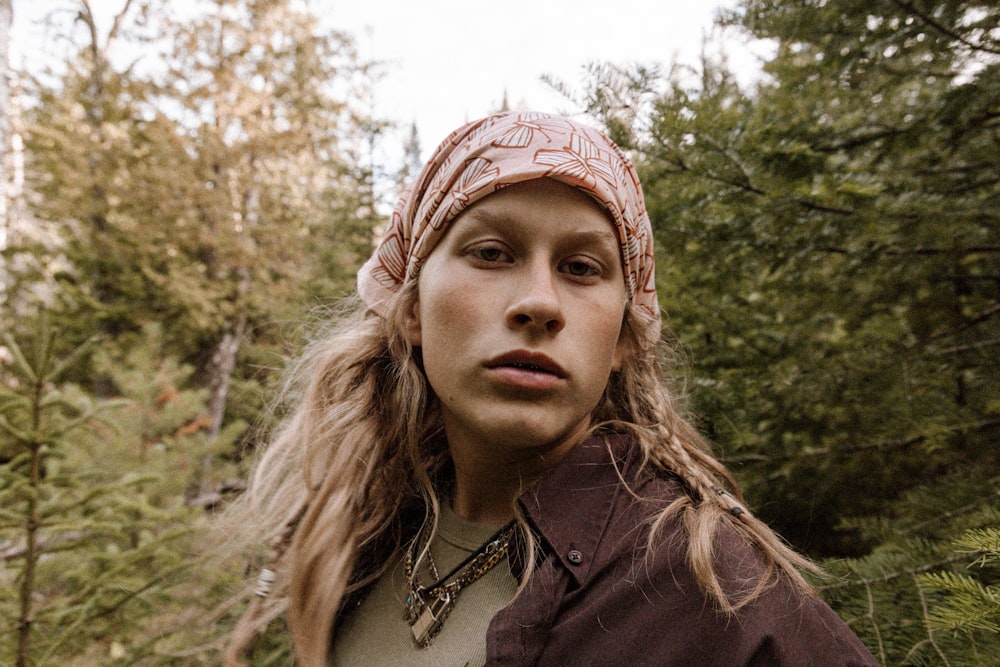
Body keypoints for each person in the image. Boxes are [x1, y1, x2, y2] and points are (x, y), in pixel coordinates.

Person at [223, 111, 879, 666]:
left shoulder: (705, 583)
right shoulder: (361, 530)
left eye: (581, 267)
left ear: (624, 335)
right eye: (491, 253)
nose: (539, 303)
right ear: (412, 308)